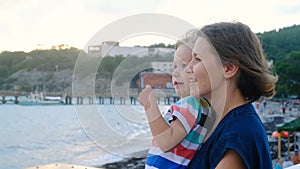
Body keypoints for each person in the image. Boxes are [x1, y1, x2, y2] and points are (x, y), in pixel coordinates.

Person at [186, 21, 278, 169]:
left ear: (228, 68)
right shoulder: (223, 124)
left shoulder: (238, 135)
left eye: (197, 59)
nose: (188, 68)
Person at [138, 31, 215, 169]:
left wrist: (150, 106)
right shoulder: (203, 107)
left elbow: (166, 141)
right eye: (174, 66)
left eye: (184, 65)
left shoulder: (191, 103)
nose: (175, 73)